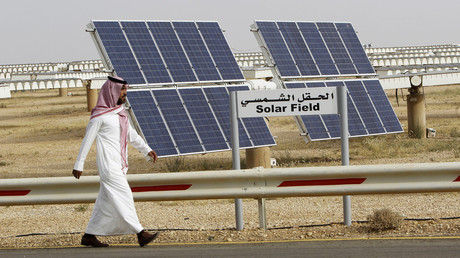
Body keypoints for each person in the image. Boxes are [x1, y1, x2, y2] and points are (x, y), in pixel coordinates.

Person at [72, 76, 159, 247]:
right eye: (122, 90)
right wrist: (79, 164)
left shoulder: (121, 113)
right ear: (112, 92)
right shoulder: (99, 116)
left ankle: (89, 236)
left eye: (125, 90)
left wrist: (146, 149)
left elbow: (131, 136)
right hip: (108, 166)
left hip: (119, 165)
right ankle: (141, 233)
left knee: (105, 202)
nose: (125, 94)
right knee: (124, 195)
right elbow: (87, 141)